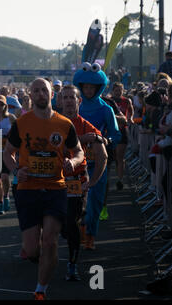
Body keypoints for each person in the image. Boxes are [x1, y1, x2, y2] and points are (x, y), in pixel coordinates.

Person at [3, 78, 84, 300]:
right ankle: (39, 259)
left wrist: (73, 163)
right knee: (32, 250)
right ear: (31, 95)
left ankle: (41, 289)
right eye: (36, 91)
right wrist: (15, 170)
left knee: (50, 240)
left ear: (52, 94)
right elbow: (7, 152)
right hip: (28, 188)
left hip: (55, 188)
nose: (40, 94)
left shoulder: (64, 123)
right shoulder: (22, 123)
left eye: (44, 90)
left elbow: (78, 151)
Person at [59, 85, 108, 281]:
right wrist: (81, 139)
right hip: (53, 180)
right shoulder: (53, 122)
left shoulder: (87, 126)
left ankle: (72, 264)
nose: (69, 101)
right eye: (65, 97)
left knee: (71, 223)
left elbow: (102, 155)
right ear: (60, 101)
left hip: (77, 181)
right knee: (59, 225)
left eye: (72, 97)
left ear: (79, 102)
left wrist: (93, 181)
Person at [73, 62, 121, 250]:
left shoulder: (106, 109)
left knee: (95, 201)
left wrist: (105, 141)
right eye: (85, 87)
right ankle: (79, 229)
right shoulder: (74, 108)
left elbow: (115, 134)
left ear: (98, 87)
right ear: (81, 87)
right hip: (76, 163)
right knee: (75, 200)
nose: (89, 90)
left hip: (98, 162)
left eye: (92, 87)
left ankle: (91, 234)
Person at [0, 95, 16, 214]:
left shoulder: (10, 118)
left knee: (5, 177)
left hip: (7, 151)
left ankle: (6, 196)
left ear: (5, 106)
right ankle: (0, 203)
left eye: (1, 104)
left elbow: (18, 131)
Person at [110, 82, 134, 191]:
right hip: (110, 132)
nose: (118, 92)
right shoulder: (109, 101)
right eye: (116, 90)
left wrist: (130, 118)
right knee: (113, 158)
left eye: (120, 90)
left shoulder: (126, 101)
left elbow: (131, 110)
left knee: (120, 158)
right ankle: (110, 178)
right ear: (113, 90)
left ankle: (120, 180)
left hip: (122, 131)